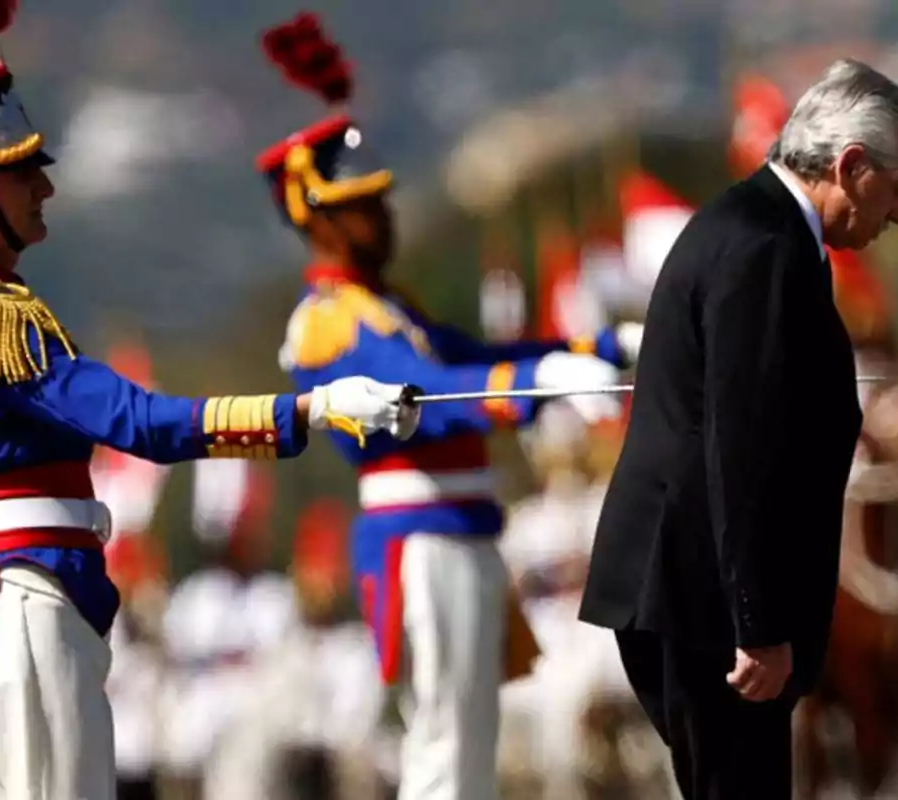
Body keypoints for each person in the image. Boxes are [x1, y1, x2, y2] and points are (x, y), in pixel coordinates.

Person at [0, 7, 422, 799]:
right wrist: (308, 410)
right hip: (24, 590)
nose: (45, 186)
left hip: (42, 586)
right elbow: (137, 422)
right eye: (20, 174)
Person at [254, 12, 642, 799]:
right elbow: (425, 400)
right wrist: (539, 387)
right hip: (417, 537)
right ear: (315, 217)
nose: (383, 218)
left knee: (471, 743)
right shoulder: (328, 323)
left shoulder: (390, 308)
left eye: (380, 201)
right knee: (441, 742)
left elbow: (477, 358)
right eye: (362, 206)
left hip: (462, 529)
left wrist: (592, 353)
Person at [578, 58, 898, 799]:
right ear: (849, 164)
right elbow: (743, 447)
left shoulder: (761, 231)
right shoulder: (765, 251)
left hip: (695, 590)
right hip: (708, 603)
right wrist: (759, 624)